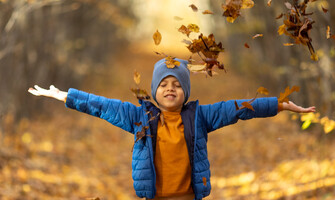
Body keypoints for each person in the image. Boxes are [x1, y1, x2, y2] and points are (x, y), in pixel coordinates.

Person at [28, 58, 315, 200]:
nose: (170, 89)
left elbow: (238, 108)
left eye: (177, 84)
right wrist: (65, 96)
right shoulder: (140, 118)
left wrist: (279, 105)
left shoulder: (200, 117)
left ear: (185, 91)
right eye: (164, 84)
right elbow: (102, 106)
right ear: (154, 91)